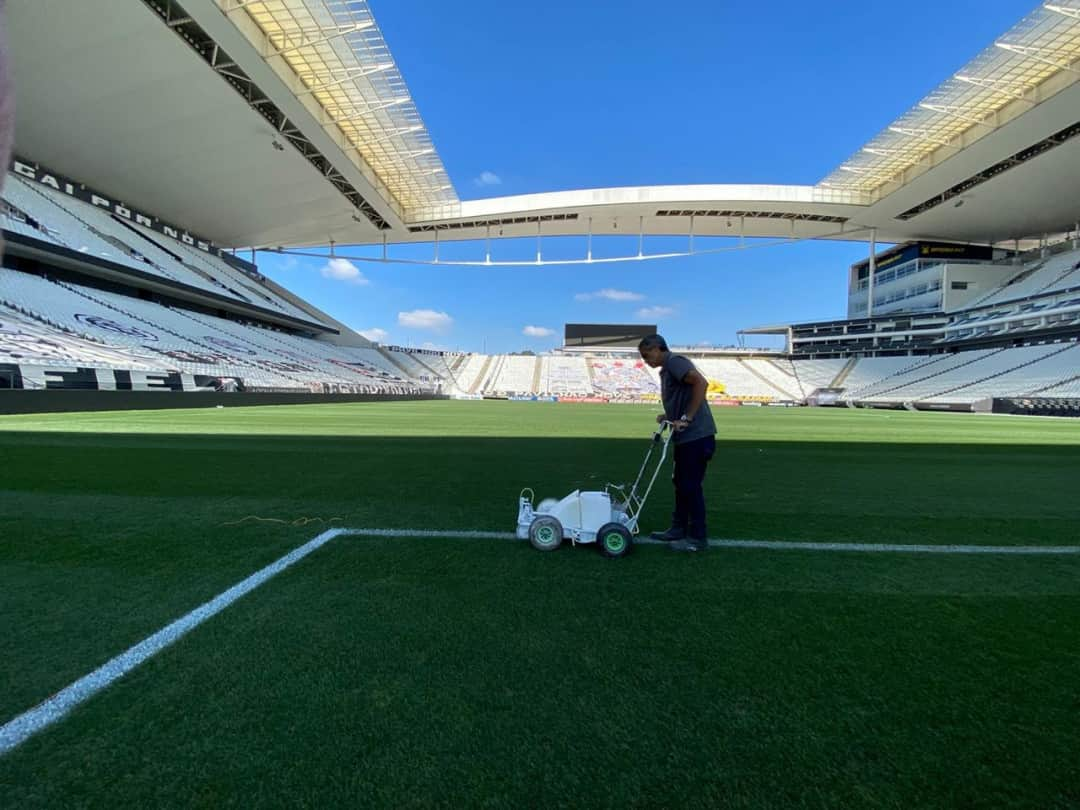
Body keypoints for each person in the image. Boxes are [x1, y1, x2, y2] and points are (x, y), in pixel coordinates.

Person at [638, 334, 717, 552]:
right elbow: (683, 394)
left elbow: (701, 383)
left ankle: (697, 538)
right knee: (681, 483)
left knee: (689, 486)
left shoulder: (675, 362)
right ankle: (678, 528)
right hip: (686, 437)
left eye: (647, 355)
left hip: (696, 436)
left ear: (657, 348)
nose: (646, 361)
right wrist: (670, 415)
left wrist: (687, 418)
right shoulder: (667, 369)